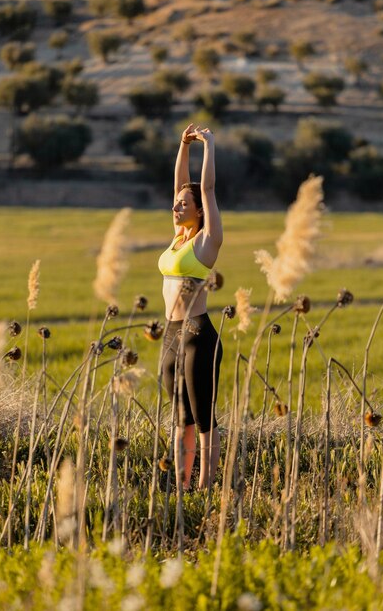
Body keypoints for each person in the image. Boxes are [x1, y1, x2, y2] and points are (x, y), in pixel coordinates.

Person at [158, 123, 223, 490]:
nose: (176, 205)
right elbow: (179, 184)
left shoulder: (206, 243)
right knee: (179, 414)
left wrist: (208, 146)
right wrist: (182, 145)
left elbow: (207, 188)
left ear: (199, 211)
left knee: (202, 417)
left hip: (198, 334)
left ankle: (206, 485)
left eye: (184, 203)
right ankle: (184, 482)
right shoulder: (177, 241)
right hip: (170, 333)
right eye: (176, 202)